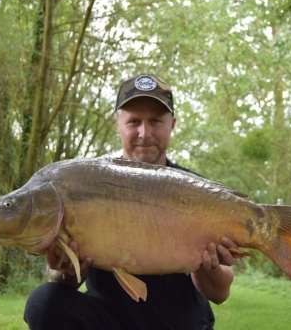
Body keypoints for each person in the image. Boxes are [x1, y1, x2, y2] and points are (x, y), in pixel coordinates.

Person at [24, 73, 238, 330]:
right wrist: (63, 270)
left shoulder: (198, 192)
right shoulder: (87, 182)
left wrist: (209, 263)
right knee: (44, 302)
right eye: (134, 121)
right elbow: (64, 282)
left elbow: (220, 293)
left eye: (155, 121)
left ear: (172, 124)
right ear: (118, 123)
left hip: (181, 323)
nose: (144, 133)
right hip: (110, 321)